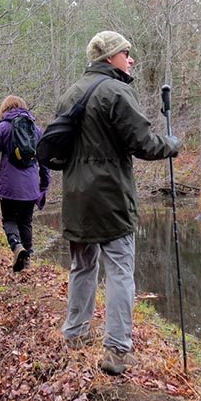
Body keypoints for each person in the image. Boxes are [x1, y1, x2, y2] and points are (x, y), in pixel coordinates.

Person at [57, 31, 180, 375]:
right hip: (111, 197)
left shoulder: (71, 93)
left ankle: (75, 334)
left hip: (76, 196)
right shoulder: (117, 91)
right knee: (120, 272)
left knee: (82, 266)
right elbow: (142, 143)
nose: (131, 60)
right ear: (111, 57)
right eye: (127, 53)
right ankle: (116, 350)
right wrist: (171, 144)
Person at [0, 95, 50, 272]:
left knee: (9, 219)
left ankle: (16, 247)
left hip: (9, 185)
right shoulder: (35, 129)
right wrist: (43, 184)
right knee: (26, 221)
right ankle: (27, 261)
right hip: (30, 186)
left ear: (4, 110)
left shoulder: (3, 127)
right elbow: (44, 160)